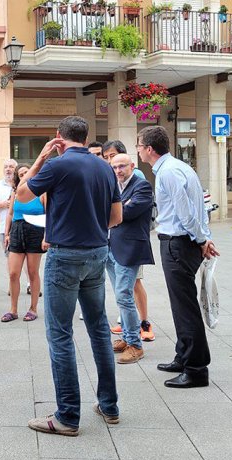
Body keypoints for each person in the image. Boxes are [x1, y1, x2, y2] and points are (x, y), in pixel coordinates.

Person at [17, 116, 123, 436]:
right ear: (85, 136)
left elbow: (22, 195)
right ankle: (109, 405)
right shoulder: (104, 166)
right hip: (97, 252)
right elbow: (116, 217)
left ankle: (67, 415)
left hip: (65, 256)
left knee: (61, 334)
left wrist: (40, 158)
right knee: (99, 329)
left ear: (59, 137)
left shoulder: (58, 165)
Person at [136, 126, 220, 388]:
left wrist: (201, 239)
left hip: (177, 244)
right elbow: (198, 207)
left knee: (185, 308)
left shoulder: (168, 172)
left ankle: (195, 369)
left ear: (149, 149)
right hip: (182, 243)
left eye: (139, 145)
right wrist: (203, 237)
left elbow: (185, 212)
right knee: (180, 304)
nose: (138, 150)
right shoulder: (177, 167)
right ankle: (183, 356)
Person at [106, 154, 155, 365]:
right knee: (120, 296)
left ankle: (135, 345)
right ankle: (126, 338)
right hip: (111, 247)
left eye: (122, 166)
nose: (118, 170)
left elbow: (127, 212)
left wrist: (117, 209)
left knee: (124, 295)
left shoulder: (142, 186)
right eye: (114, 167)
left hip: (129, 248)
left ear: (132, 166)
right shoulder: (114, 186)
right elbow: (117, 209)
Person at [2, 164, 48, 323]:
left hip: (36, 231)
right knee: (13, 273)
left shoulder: (41, 193)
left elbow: (50, 215)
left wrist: (46, 237)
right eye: (20, 174)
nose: (23, 176)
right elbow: (10, 214)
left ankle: (33, 308)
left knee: (32, 272)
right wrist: (7, 234)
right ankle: (13, 310)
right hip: (17, 230)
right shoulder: (15, 192)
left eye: (26, 173)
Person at [0, 159, 17, 275]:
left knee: (26, 256)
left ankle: (29, 284)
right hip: (4, 228)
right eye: (6, 167)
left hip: (23, 225)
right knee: (9, 257)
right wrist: (3, 204)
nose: (8, 169)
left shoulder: (22, 184)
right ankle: (12, 284)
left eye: (11, 167)